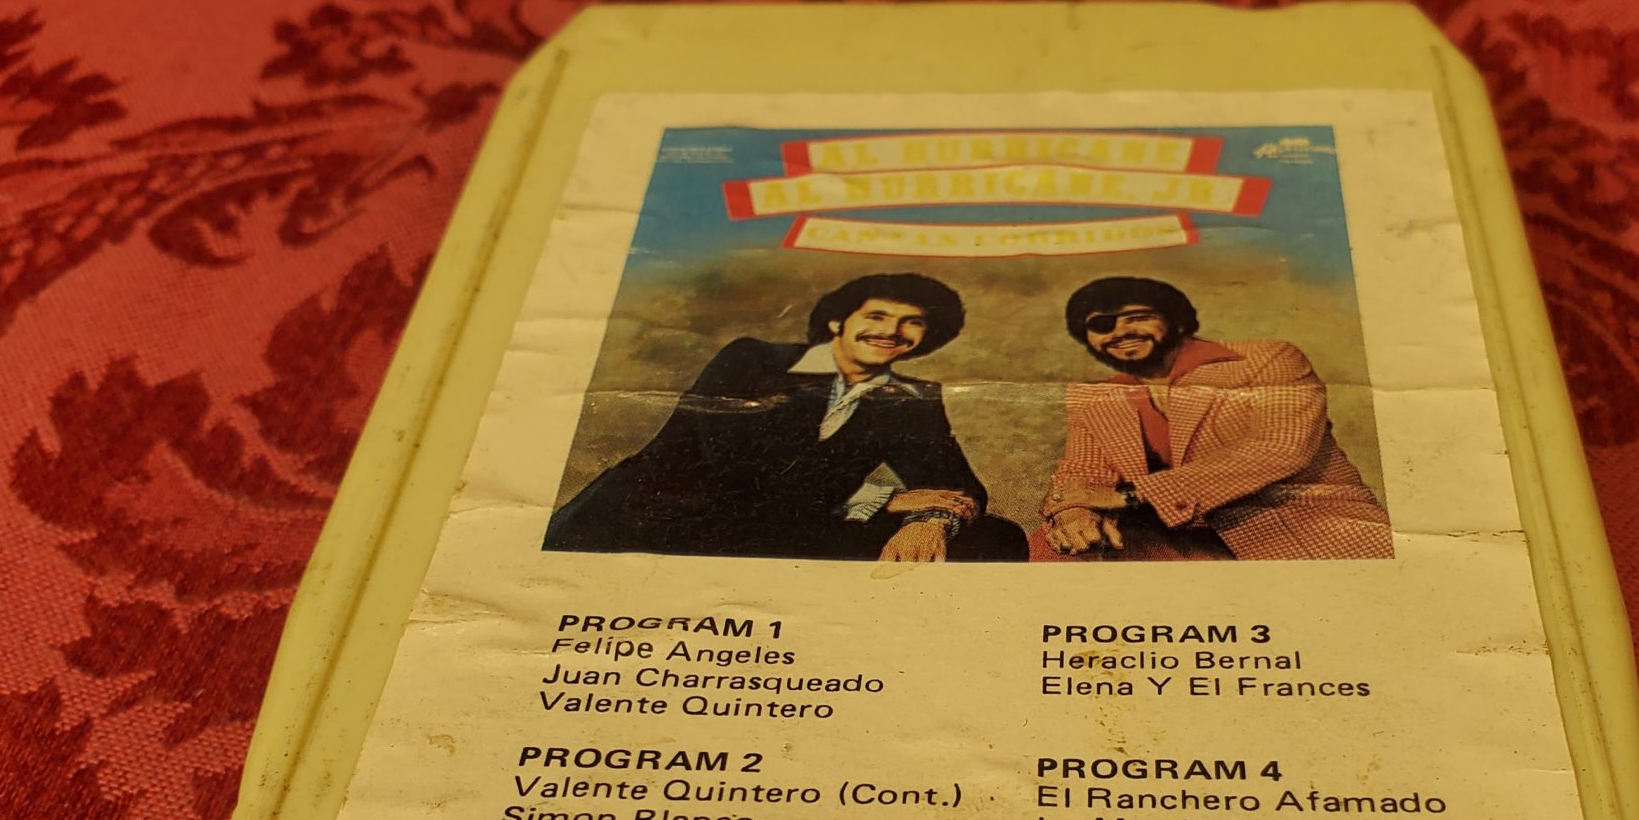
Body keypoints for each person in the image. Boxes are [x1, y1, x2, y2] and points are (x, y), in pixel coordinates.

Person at [545, 273, 1027, 563]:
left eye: (911, 322)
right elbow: (738, 467)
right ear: (839, 321)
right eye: (876, 316)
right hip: (673, 515)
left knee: (996, 538)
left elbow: (957, 487)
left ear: (925, 337)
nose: (891, 331)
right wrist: (885, 500)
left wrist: (931, 520)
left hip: (786, 524)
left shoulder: (911, 397)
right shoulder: (753, 359)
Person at [1035, 277, 1394, 562]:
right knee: (1058, 547)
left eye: (1138, 317)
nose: (1120, 332)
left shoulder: (1267, 359)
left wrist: (1130, 495)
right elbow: (1082, 472)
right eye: (1102, 324)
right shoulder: (1097, 394)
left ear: (1176, 320)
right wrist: (1074, 512)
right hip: (1177, 547)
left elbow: (1279, 449)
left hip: (1304, 529)